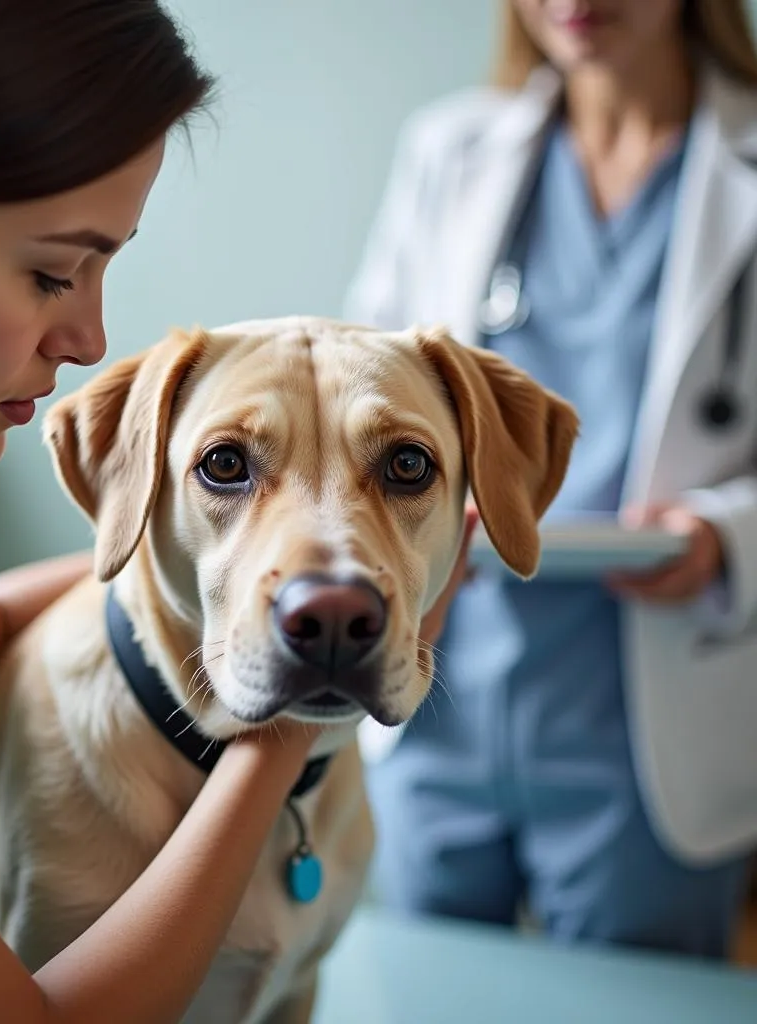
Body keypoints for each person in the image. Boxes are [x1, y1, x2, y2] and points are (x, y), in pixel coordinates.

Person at [0, 3, 476, 1022]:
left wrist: (268, 595)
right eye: (49, 272)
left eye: (102, 269)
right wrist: (283, 705)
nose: (87, 336)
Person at [345, 0, 757, 960]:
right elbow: (359, 402)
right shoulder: (450, 153)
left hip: (646, 717)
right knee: (430, 989)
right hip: (441, 683)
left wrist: (724, 532)